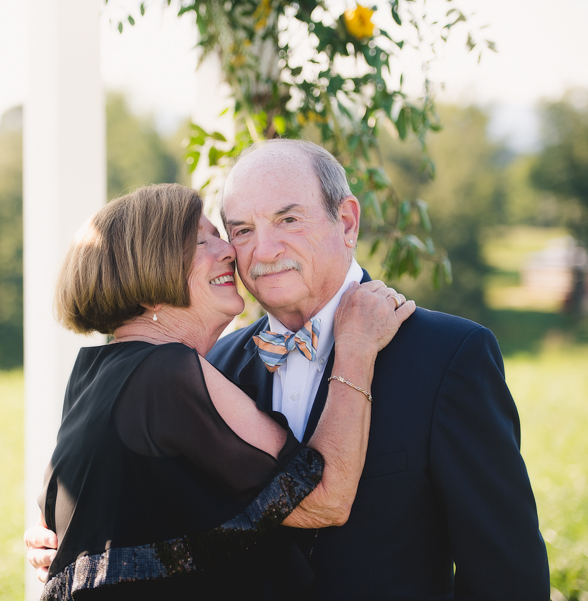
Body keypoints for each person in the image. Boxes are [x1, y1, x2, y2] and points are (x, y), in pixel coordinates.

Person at [28, 140, 551, 600]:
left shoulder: (448, 355)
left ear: (346, 222)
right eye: (241, 230)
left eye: (288, 219)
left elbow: (507, 570)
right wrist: (88, 547)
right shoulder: (210, 368)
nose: (261, 251)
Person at [35, 183, 415, 600]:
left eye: (220, 235)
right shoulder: (166, 374)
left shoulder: (94, 375)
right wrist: (357, 347)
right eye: (201, 240)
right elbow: (325, 498)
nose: (229, 251)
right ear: (147, 271)